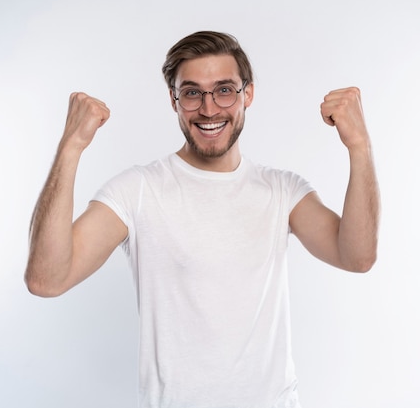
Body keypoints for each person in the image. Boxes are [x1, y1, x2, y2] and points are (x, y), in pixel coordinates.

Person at [25, 31, 380, 408]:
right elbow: (47, 279)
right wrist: (71, 146)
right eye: (192, 93)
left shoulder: (283, 191)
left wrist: (360, 146)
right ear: (174, 101)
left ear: (248, 94)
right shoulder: (138, 190)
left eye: (224, 89)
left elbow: (357, 257)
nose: (209, 109)